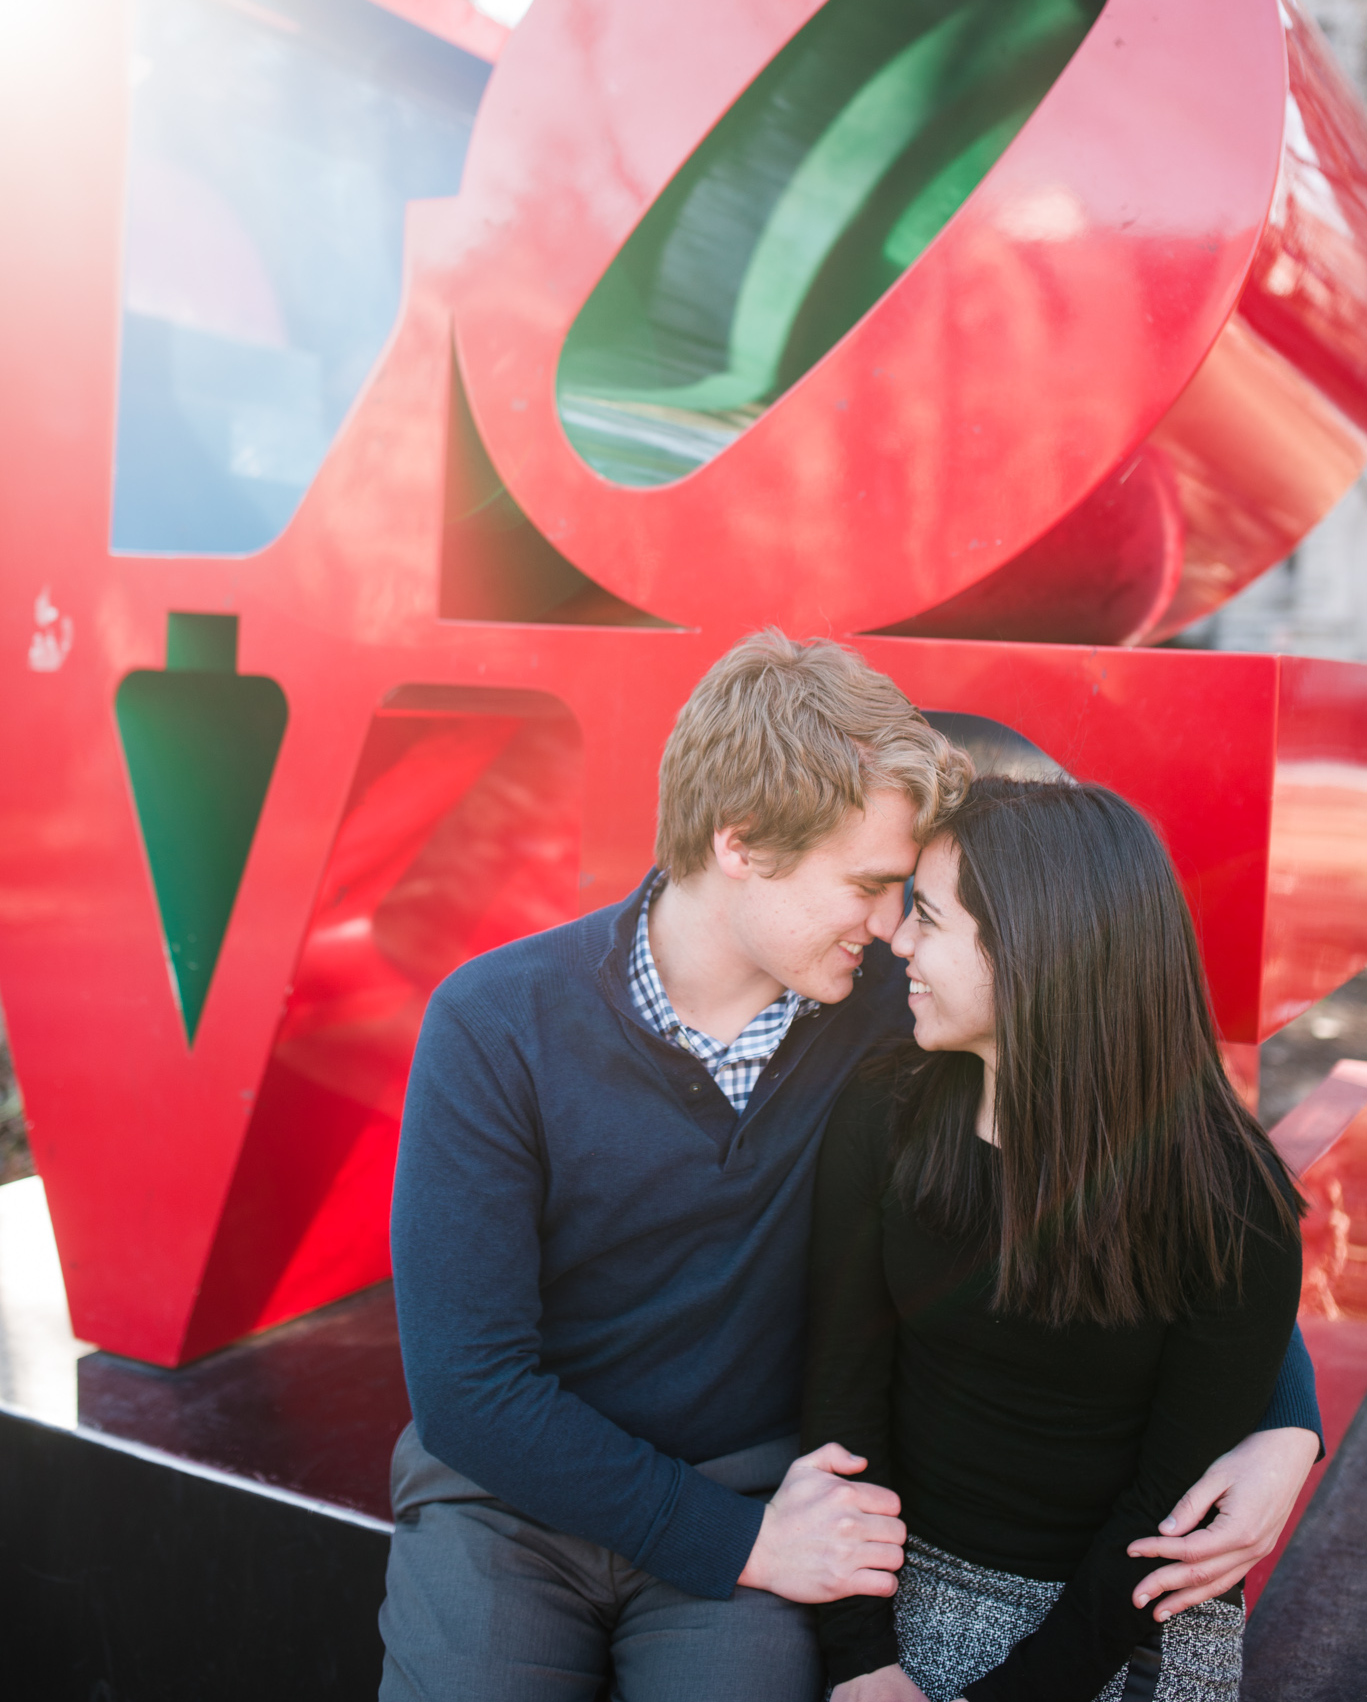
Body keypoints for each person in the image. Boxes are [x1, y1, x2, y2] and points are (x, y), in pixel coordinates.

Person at [379, 635, 1320, 1702]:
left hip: (766, 1486)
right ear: (740, 844)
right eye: (871, 884)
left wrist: (1286, 1419)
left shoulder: (896, 1015)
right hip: (512, 1502)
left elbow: (1144, 1178)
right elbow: (467, 1387)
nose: (890, 928)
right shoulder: (498, 1020)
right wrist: (737, 1542)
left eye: (906, 896)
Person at [802, 776, 1309, 1702]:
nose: (898, 941)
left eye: (930, 918)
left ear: (1033, 950)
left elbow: (1163, 1508)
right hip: (914, 1575)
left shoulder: (1228, 1201)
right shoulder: (885, 1114)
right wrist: (860, 1659)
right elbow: (841, 1401)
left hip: (1132, 1606)